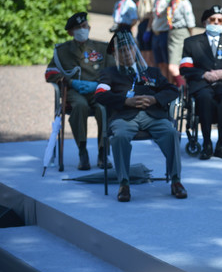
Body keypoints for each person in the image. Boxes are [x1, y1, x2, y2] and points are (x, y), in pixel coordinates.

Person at [94, 29, 186, 202]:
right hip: (125, 116)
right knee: (119, 136)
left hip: (153, 115)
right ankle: (124, 184)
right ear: (115, 54)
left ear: (135, 49)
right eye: (121, 50)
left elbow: (172, 90)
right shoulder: (110, 73)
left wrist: (154, 99)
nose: (127, 53)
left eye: (129, 48)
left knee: (171, 132)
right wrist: (125, 101)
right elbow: (99, 94)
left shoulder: (151, 72)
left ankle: (175, 181)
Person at [45, 12, 114, 170]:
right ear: (70, 32)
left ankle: (103, 152)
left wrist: (98, 84)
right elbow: (50, 73)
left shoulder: (102, 48)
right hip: (74, 92)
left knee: (103, 108)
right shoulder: (62, 51)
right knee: (80, 106)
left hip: (97, 90)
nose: (82, 30)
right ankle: (82, 152)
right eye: (77, 28)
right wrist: (70, 82)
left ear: (89, 27)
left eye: (84, 26)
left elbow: (113, 72)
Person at [180, 5, 222, 160]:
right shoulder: (191, 42)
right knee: (204, 97)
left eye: (220, 20)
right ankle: (207, 143)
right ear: (204, 22)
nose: (216, 23)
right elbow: (185, 68)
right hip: (202, 84)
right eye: (212, 20)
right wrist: (203, 74)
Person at [166, 0, 196, 86]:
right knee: (175, 65)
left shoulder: (183, 2)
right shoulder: (171, 1)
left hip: (181, 32)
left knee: (173, 66)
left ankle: (182, 88)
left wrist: (190, 35)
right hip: (172, 32)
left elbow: (190, 21)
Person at [133, 0, 159, 66]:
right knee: (142, 51)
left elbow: (153, 10)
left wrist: (148, 29)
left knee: (148, 53)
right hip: (142, 22)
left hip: (148, 23)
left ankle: (149, 75)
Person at [151, 0, 173, 80]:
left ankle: (169, 82)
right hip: (156, 33)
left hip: (165, 32)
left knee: (167, 61)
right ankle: (163, 81)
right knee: (159, 62)